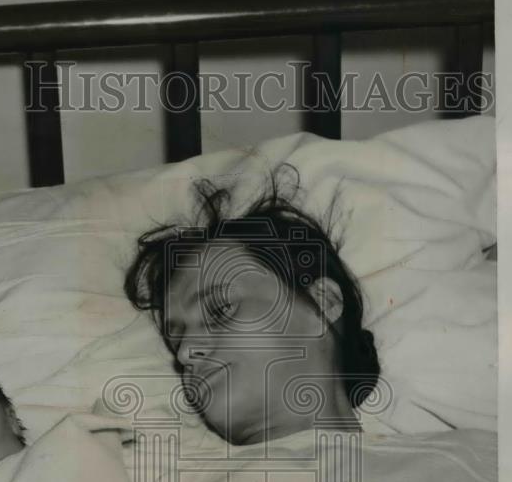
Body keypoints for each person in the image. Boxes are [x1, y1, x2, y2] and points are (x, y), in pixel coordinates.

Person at [123, 171, 380, 445]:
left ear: (323, 303)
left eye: (221, 310)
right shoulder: (135, 474)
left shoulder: (426, 466)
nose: (186, 353)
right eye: (176, 342)